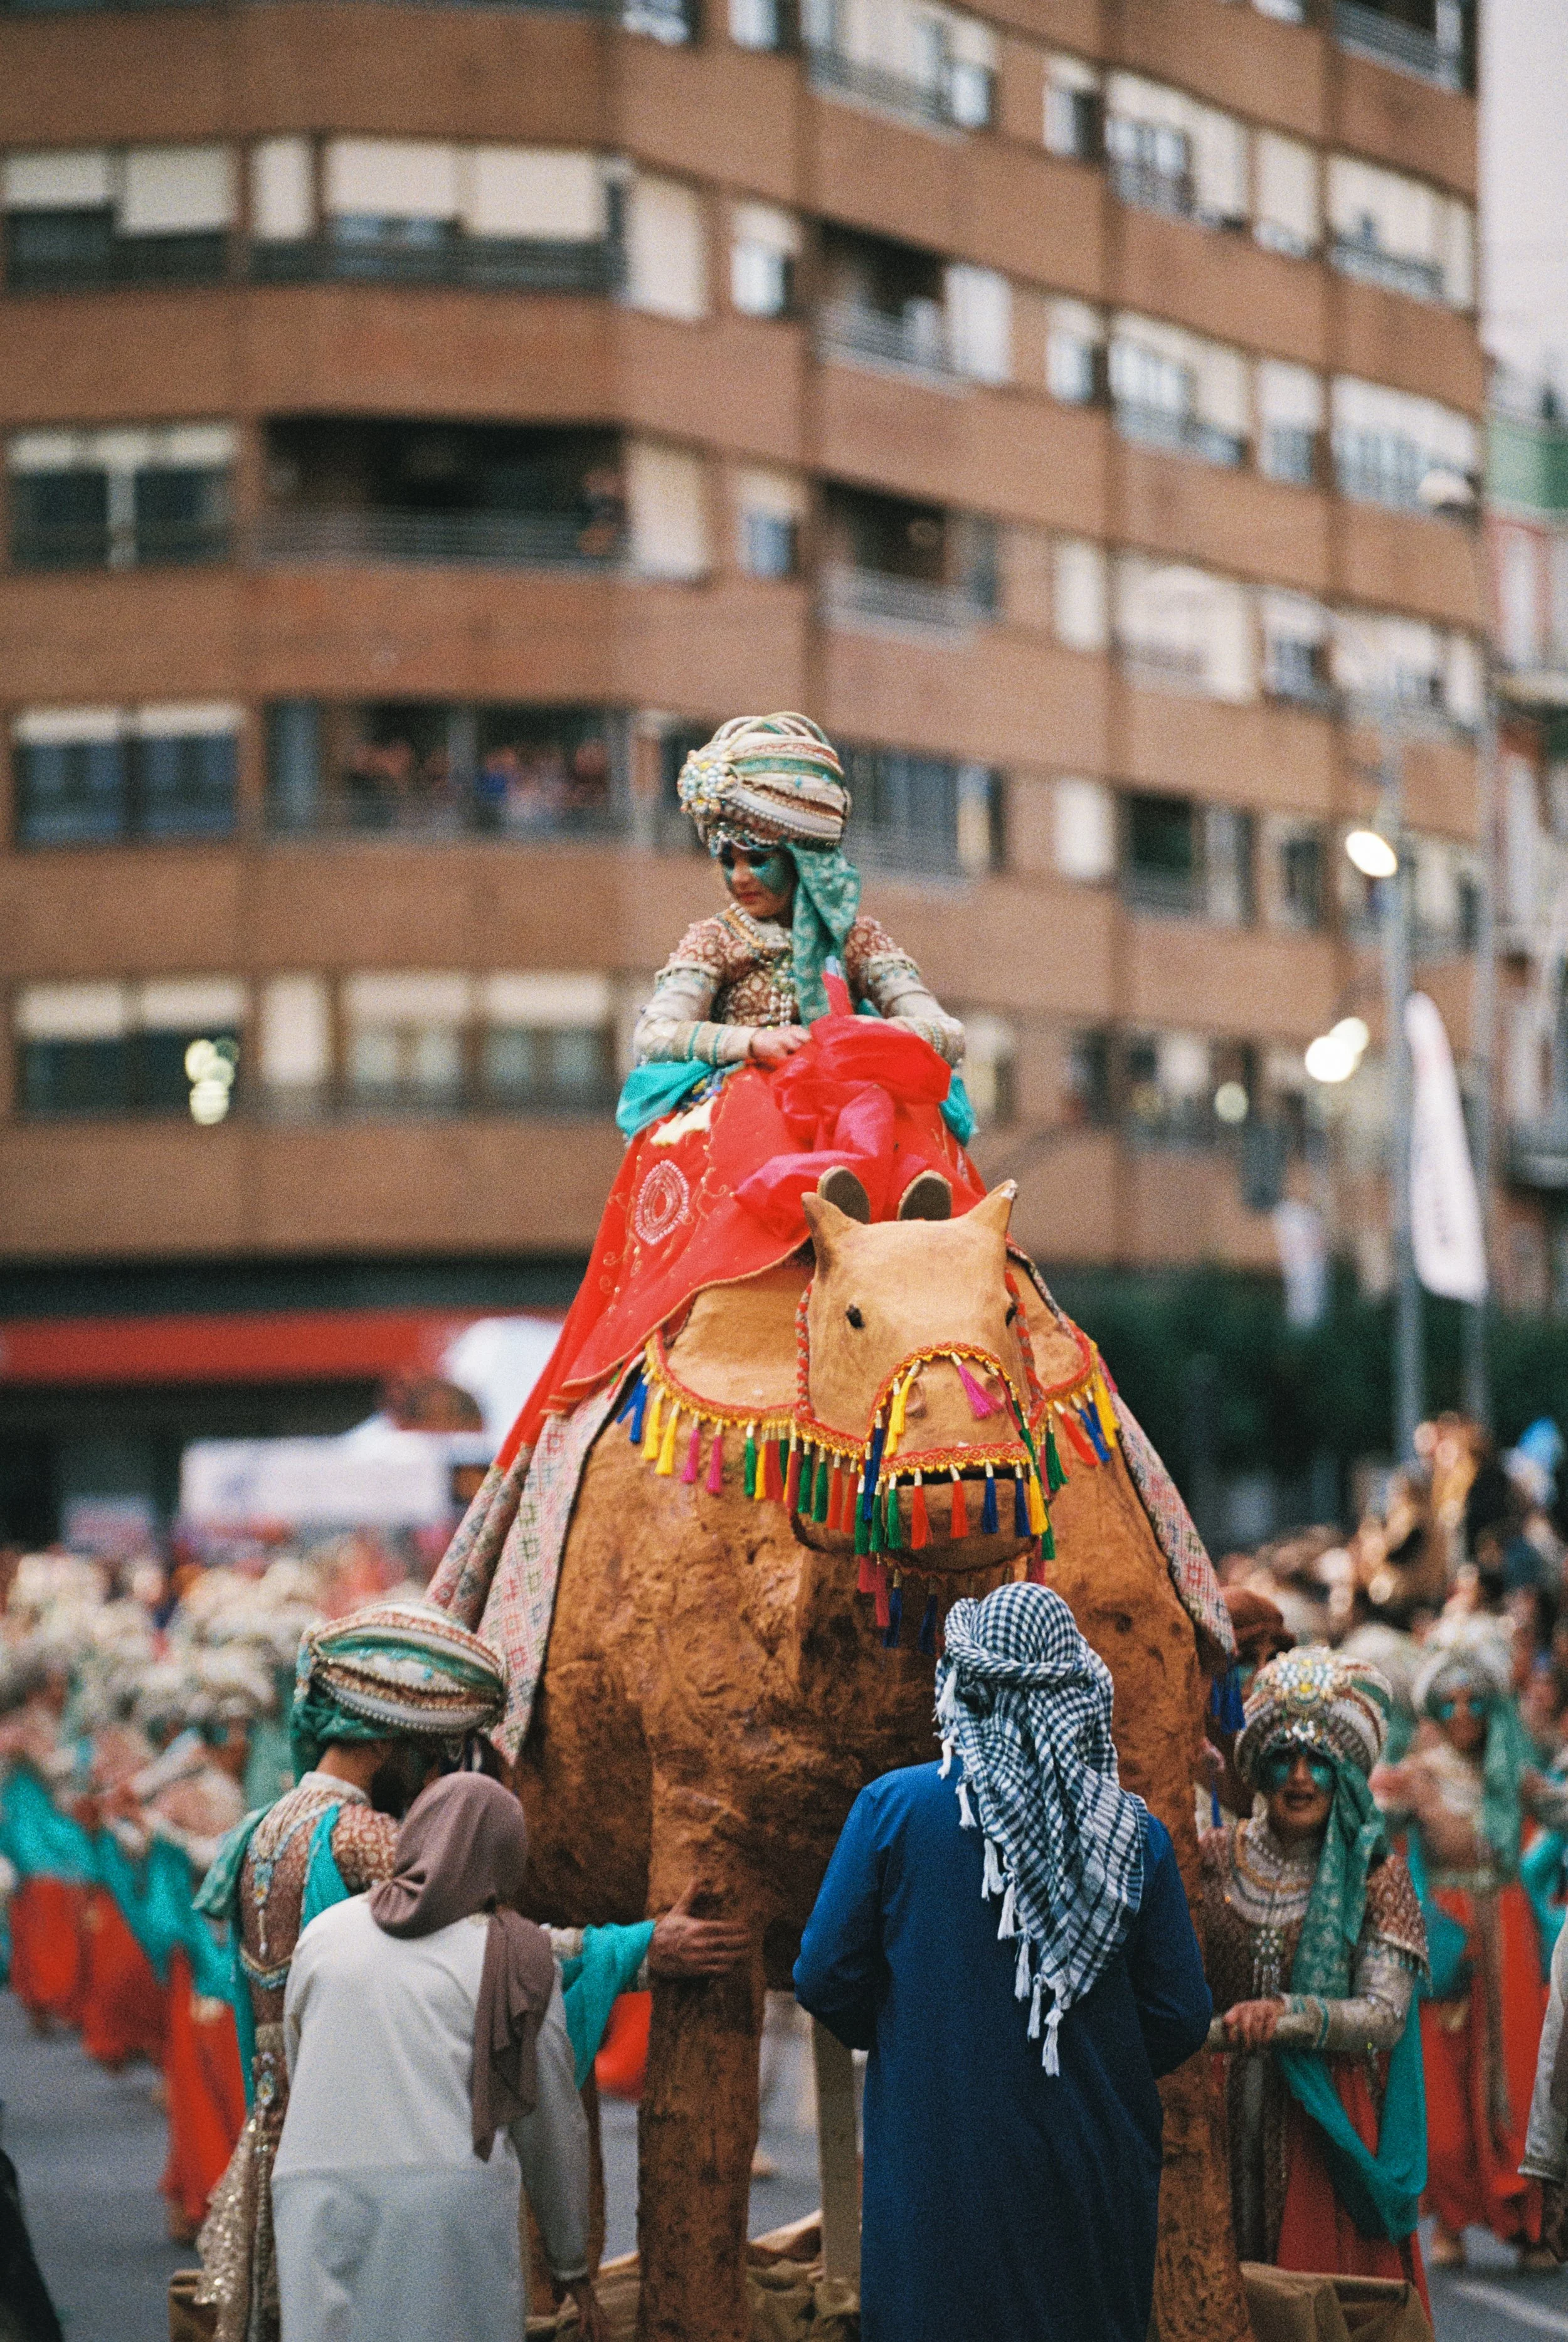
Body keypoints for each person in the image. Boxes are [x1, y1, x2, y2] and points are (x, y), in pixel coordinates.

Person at [475, 714, 977, 1483]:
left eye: (760, 856)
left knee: (884, 1097)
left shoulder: (856, 937)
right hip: (757, 1090)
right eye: (727, 855)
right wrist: (749, 1045)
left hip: (845, 1081)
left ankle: (899, 1208)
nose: (741, 873)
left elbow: (932, 1019)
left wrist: (896, 1035)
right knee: (769, 1120)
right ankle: (823, 1200)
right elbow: (658, 1031)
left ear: (803, 855)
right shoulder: (715, 938)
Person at [793, 1583, 1211, 2342]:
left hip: (935, 2165)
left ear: (962, 1687)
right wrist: (1091, 2055)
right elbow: (1181, 2014)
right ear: (1078, 1692)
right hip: (1090, 2170)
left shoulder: (894, 1809)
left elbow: (824, 1974)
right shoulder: (1134, 1836)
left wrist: (917, 2034)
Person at [273, 1773, 599, 2342]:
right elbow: (551, 2123)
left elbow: (303, 2063)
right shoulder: (517, 1954)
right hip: (446, 2211)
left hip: (316, 2194)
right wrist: (571, 2261)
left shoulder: (325, 1934)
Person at [1200, 1649, 1431, 2308]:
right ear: (1258, 1767)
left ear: (1345, 1776)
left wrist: (1286, 2015)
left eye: (1318, 1761)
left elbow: (1384, 2012)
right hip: (1221, 2114)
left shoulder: (1375, 1874)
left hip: (1327, 2126)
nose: (1298, 1777)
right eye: (1282, 1758)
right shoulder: (1213, 1857)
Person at [1372, 1614, 1568, 2269]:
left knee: (1520, 2079)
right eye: (1447, 1699)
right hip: (1445, 1935)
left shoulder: (1514, 1772)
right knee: (1442, 2083)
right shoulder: (1413, 1773)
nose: (1461, 1711)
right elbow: (1363, 1820)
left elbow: (1558, 1810)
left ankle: (1529, 2223)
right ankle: (1450, 2217)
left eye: (1474, 1698)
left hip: (1509, 1935)